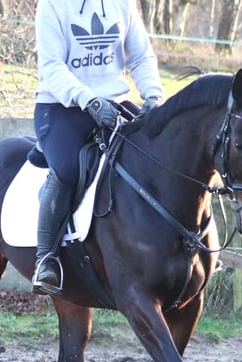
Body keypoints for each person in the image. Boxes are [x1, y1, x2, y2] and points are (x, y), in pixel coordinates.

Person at [31, 0, 164, 295]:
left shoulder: (122, 4)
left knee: (154, 153)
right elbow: (51, 67)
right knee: (67, 169)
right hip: (60, 106)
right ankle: (46, 259)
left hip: (113, 103)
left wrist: (153, 95)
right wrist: (88, 100)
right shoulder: (52, 5)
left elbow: (141, 56)